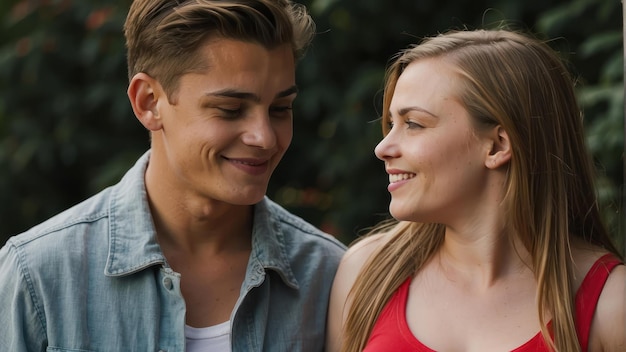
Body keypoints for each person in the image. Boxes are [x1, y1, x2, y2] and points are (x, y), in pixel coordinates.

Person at [0, 0, 347, 351]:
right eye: (230, 109)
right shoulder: (38, 276)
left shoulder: (330, 277)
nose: (264, 137)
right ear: (148, 101)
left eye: (280, 109)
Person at [325, 29, 626, 352]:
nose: (383, 148)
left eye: (413, 123)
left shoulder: (611, 305)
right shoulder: (367, 273)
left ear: (497, 145)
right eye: (391, 123)